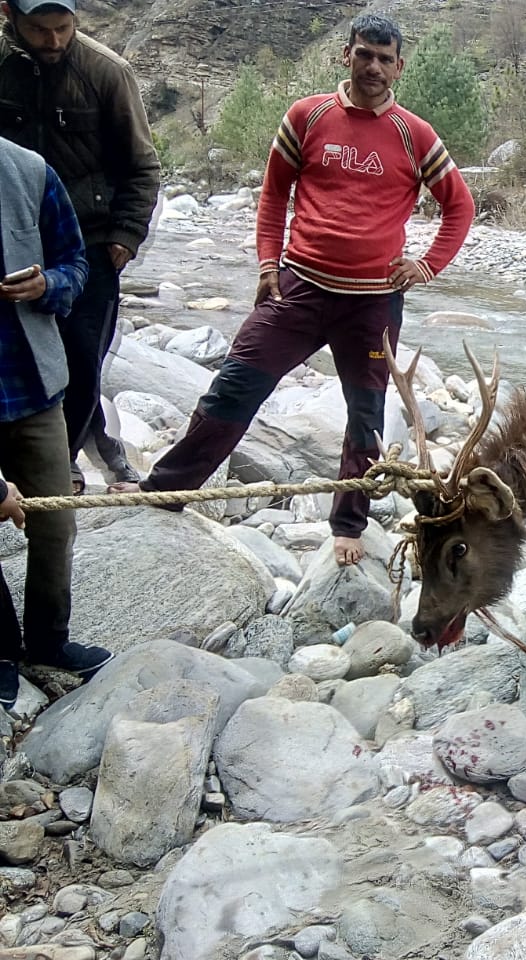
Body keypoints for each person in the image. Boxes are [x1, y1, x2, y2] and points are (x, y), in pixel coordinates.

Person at [110, 13, 475, 568]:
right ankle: (167, 489)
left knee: (366, 416)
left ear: (399, 66)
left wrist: (426, 266)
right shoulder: (307, 117)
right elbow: (274, 197)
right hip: (298, 288)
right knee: (234, 386)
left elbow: (460, 206)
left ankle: (348, 525)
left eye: (384, 57)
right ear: (345, 55)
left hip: (372, 304)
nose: (372, 66)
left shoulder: (414, 133)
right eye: (363, 54)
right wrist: (265, 267)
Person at [0, 0, 161, 495]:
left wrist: (124, 238)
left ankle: (63, 461)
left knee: (82, 361)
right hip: (10, 239)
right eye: (39, 29)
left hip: (90, 244)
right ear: (9, 15)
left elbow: (142, 166)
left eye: (63, 28)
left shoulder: (107, 72)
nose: (53, 41)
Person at [0, 134, 113, 711]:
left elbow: (77, 264)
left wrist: (48, 285)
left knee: (54, 525)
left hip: (31, 383)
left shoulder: (28, 170)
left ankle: (48, 642)